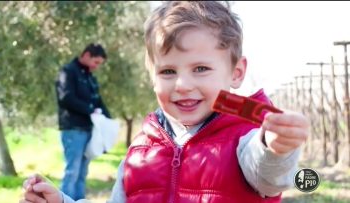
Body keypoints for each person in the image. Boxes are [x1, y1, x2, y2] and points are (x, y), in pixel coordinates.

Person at [20, 2, 309, 203]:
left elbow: (269, 178)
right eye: (168, 71)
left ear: (236, 73)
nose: (182, 85)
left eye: (200, 69)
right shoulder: (139, 149)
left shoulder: (245, 138)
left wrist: (275, 147)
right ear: (152, 75)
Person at [55, 43, 111, 200]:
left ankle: (78, 201)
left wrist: (109, 122)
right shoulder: (68, 72)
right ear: (86, 55)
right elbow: (66, 97)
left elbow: (98, 101)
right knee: (72, 171)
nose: (96, 66)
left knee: (82, 171)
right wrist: (90, 109)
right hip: (73, 129)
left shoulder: (89, 77)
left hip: (88, 129)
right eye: (96, 62)